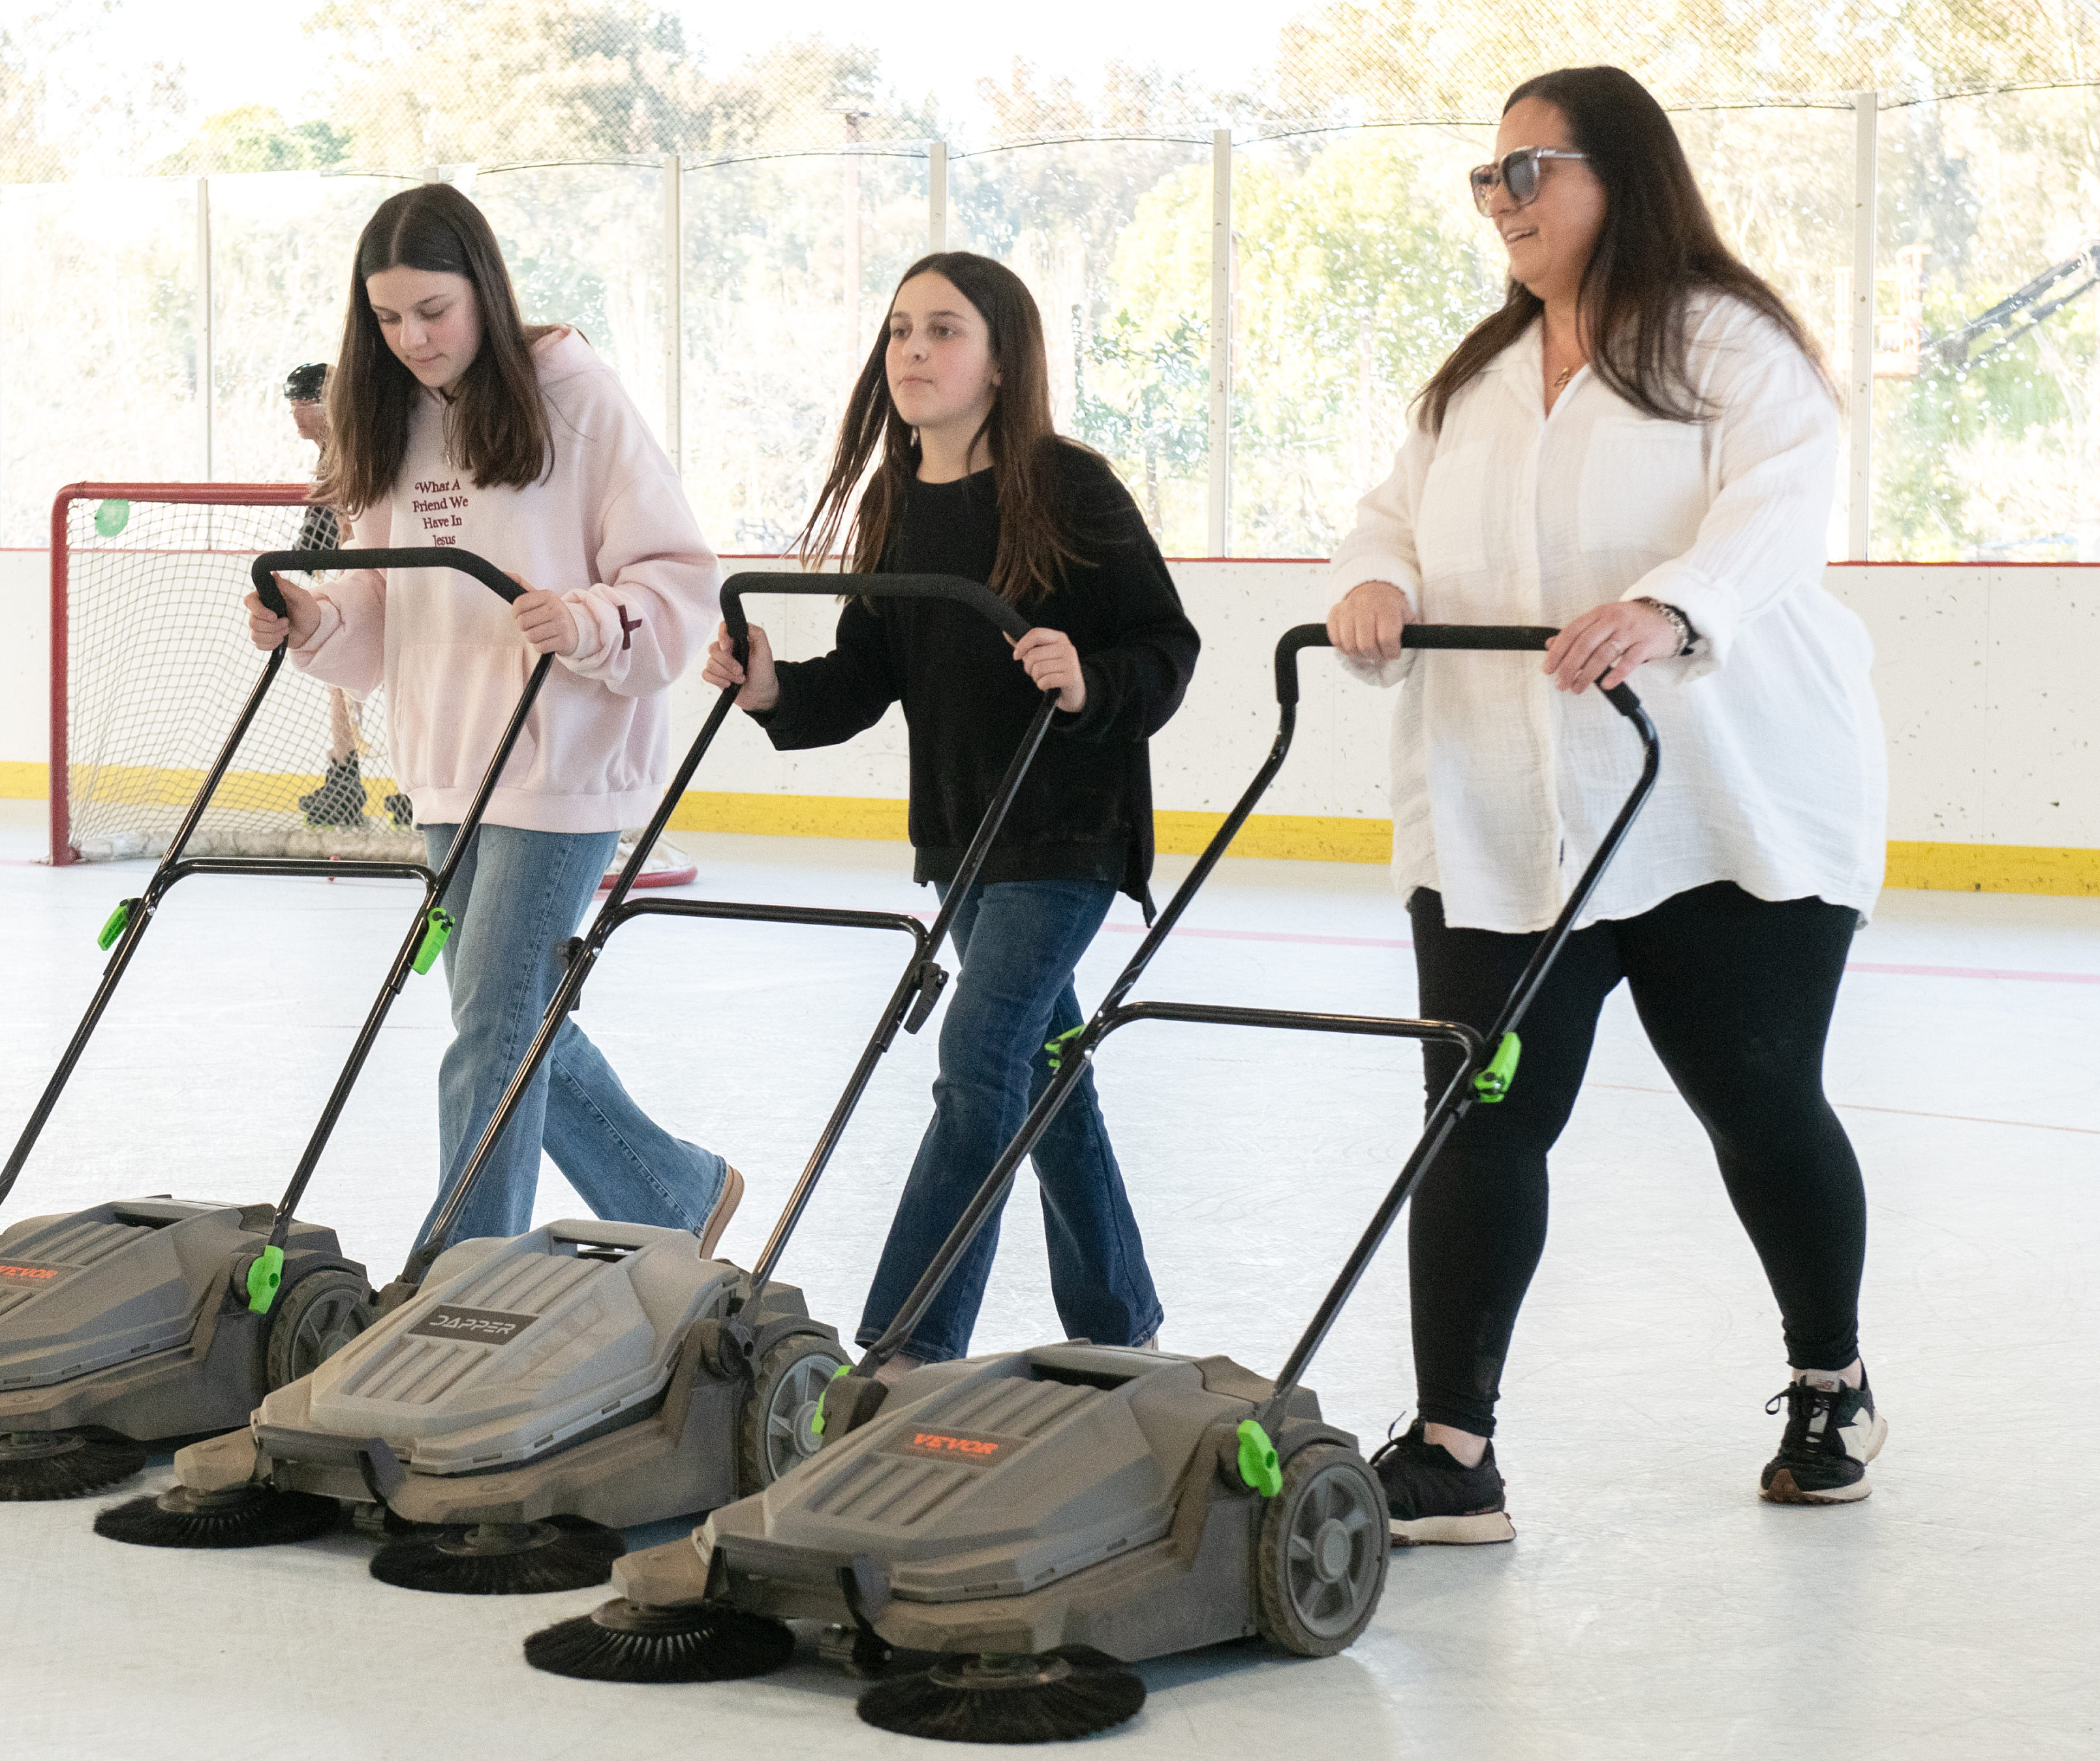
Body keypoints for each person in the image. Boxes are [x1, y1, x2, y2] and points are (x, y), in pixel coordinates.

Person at [1324, 65, 1888, 1540]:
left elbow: (1775, 511)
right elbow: (1392, 511)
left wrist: (1664, 605)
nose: (1500, 201)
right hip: (1508, 816)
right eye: (1487, 177)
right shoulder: (1473, 380)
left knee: (1755, 1101)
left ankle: (1828, 1380)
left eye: (1532, 170)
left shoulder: (1727, 346)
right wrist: (1373, 580)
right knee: (1478, 1115)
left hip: (1719, 804)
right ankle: (1455, 1452)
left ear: (1619, 176)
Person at [703, 251, 1197, 1371]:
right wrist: (774, 686)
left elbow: (1167, 645)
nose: (915, 352)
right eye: (898, 333)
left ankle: (907, 1344)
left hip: (1069, 829)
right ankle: (1124, 1325)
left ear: (1001, 356)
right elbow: (870, 672)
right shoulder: (893, 501)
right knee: (1044, 1070)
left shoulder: (1070, 487)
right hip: (964, 838)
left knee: (981, 1057)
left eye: (944, 330)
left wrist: (1087, 678)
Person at [246, 183, 742, 1257]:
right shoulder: (390, 419)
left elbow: (679, 577)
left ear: (484, 287)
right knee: (512, 1027)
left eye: (433, 309)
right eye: (386, 319)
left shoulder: (577, 398)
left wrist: (590, 618)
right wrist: (309, 621)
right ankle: (675, 1197)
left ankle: (461, 1275)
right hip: (445, 764)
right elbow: (381, 616)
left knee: (491, 1034)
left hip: (563, 761)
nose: (413, 338)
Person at [281, 361, 388, 831]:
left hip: (373, 579)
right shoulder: (334, 448)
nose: (294, 414)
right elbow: (317, 538)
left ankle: (367, 779)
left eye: (300, 403)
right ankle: (346, 773)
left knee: (372, 678)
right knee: (341, 682)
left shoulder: (351, 445)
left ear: (324, 405)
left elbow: (338, 526)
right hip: (354, 577)